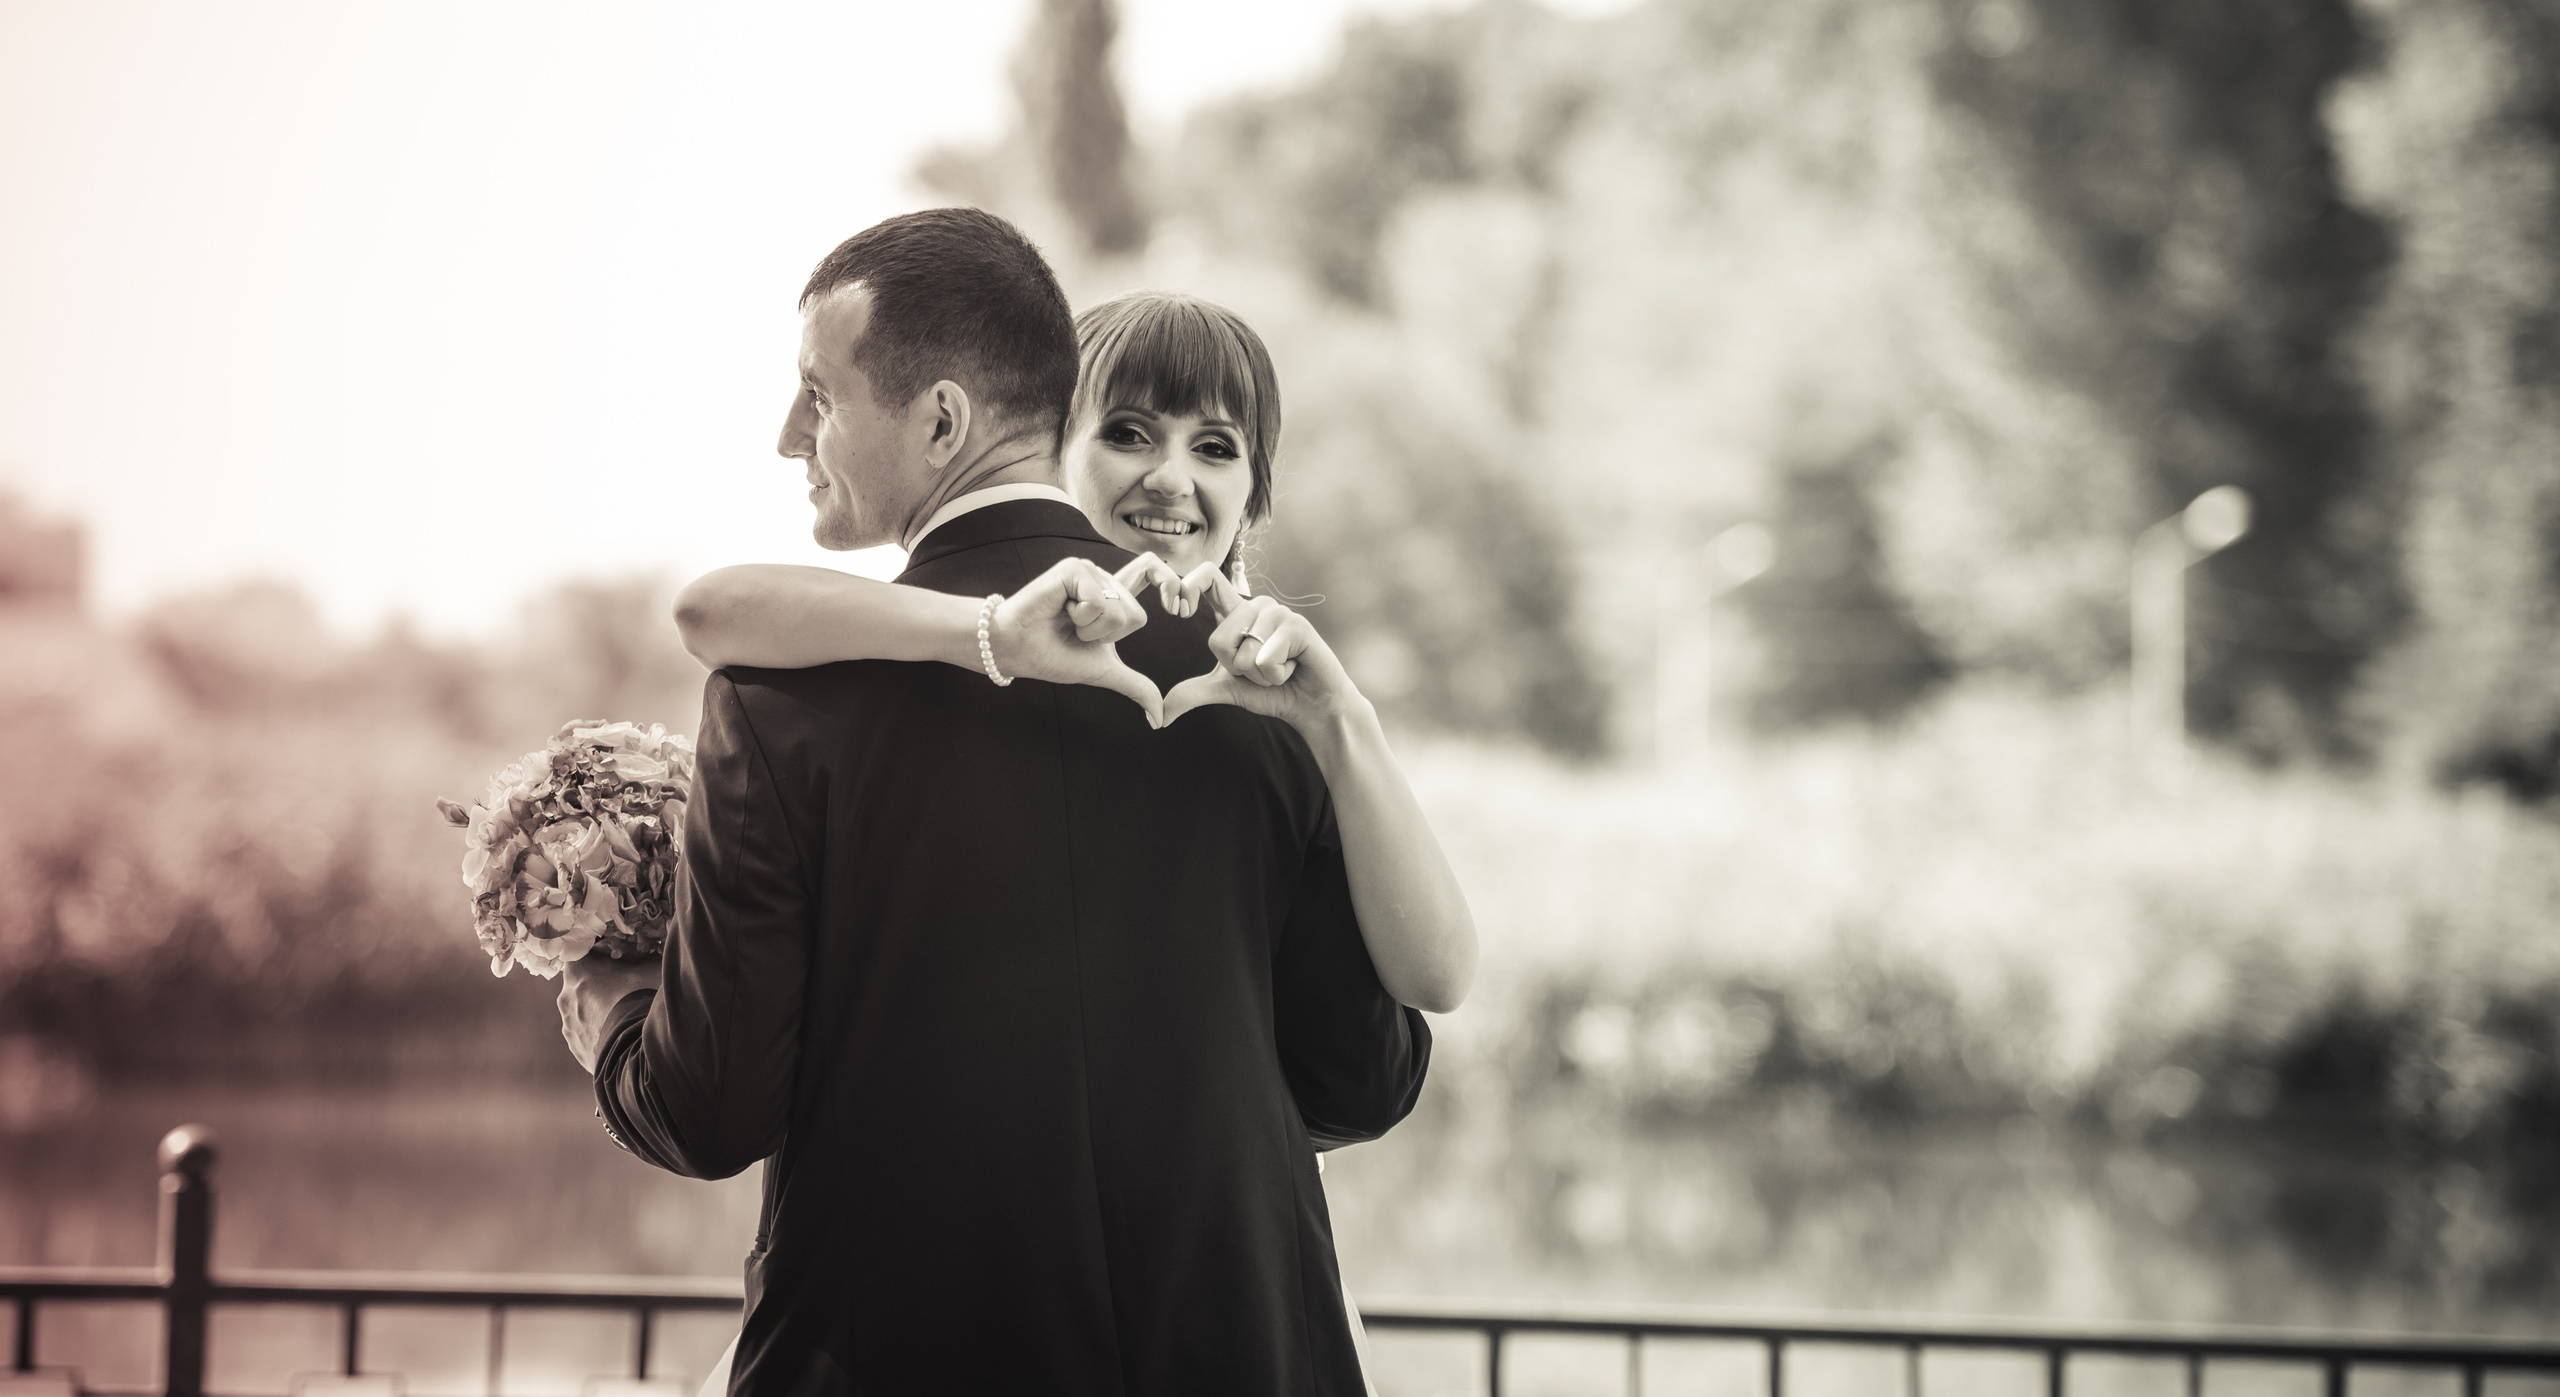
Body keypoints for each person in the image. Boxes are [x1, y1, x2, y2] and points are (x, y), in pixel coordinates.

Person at [554, 209, 1434, 1397]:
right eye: (1129, 431)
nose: (787, 435)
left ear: (942, 419)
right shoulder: (1264, 687)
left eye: (819, 392)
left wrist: (609, 997)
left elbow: (711, 1110)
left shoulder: (786, 698)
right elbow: (1359, 1076)